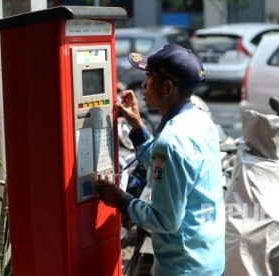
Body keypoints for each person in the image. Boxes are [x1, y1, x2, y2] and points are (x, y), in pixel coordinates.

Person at [96, 44, 225, 276]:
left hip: (183, 268)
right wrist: (136, 125)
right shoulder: (200, 121)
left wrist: (121, 200)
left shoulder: (171, 141)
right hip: (208, 259)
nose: (143, 85)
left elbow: (165, 220)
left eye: (148, 77)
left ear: (167, 88)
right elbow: (164, 168)